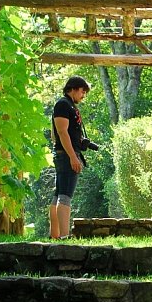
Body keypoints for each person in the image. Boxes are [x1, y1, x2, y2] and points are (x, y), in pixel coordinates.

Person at [49, 76, 91, 239]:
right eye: (82, 91)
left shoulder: (68, 105)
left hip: (67, 154)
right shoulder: (62, 104)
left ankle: (55, 236)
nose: (83, 95)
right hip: (66, 155)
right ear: (73, 88)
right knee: (65, 196)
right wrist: (73, 157)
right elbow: (61, 132)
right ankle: (64, 236)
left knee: (58, 195)